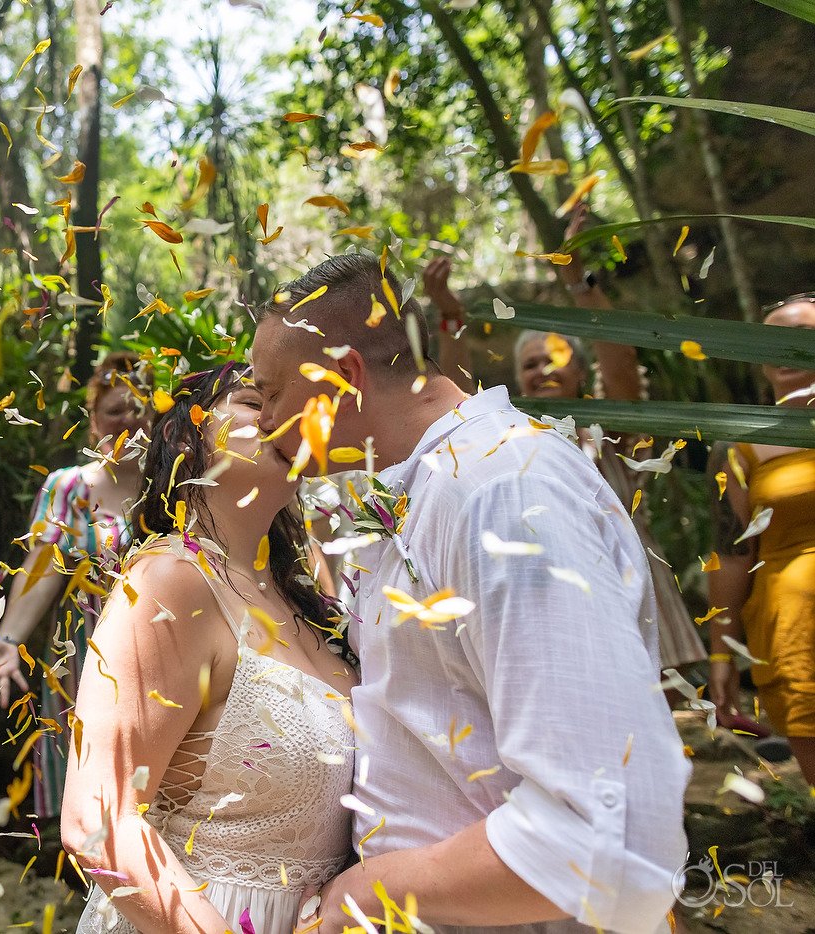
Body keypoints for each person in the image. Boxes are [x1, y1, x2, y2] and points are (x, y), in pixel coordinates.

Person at [252, 252, 690, 933]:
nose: (262, 420)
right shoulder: (424, 488)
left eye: (271, 391)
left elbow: (605, 842)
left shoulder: (503, 491)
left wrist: (364, 894)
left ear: (340, 377)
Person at [61, 363, 357, 933]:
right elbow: (97, 817)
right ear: (188, 437)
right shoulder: (169, 580)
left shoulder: (309, 603)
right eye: (253, 401)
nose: (280, 416)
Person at [424, 208, 707, 681]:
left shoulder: (608, 426)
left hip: (628, 580)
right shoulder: (509, 436)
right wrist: (451, 317)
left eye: (554, 359)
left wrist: (576, 278)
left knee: (656, 718)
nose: (543, 371)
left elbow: (619, 357)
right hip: (555, 587)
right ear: (518, 380)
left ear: (580, 372)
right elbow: (454, 403)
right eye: (531, 365)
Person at [0, 352, 152, 818]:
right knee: (96, 796)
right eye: (114, 411)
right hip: (85, 652)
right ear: (92, 421)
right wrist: (8, 638)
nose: (127, 419)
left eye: (137, 409)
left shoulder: (174, 482)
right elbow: (42, 569)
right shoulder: (69, 487)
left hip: (162, 649)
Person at [707, 294, 815, 782]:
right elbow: (731, 556)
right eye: (772, 338)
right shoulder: (738, 445)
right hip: (794, 635)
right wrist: (722, 651)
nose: (786, 348)